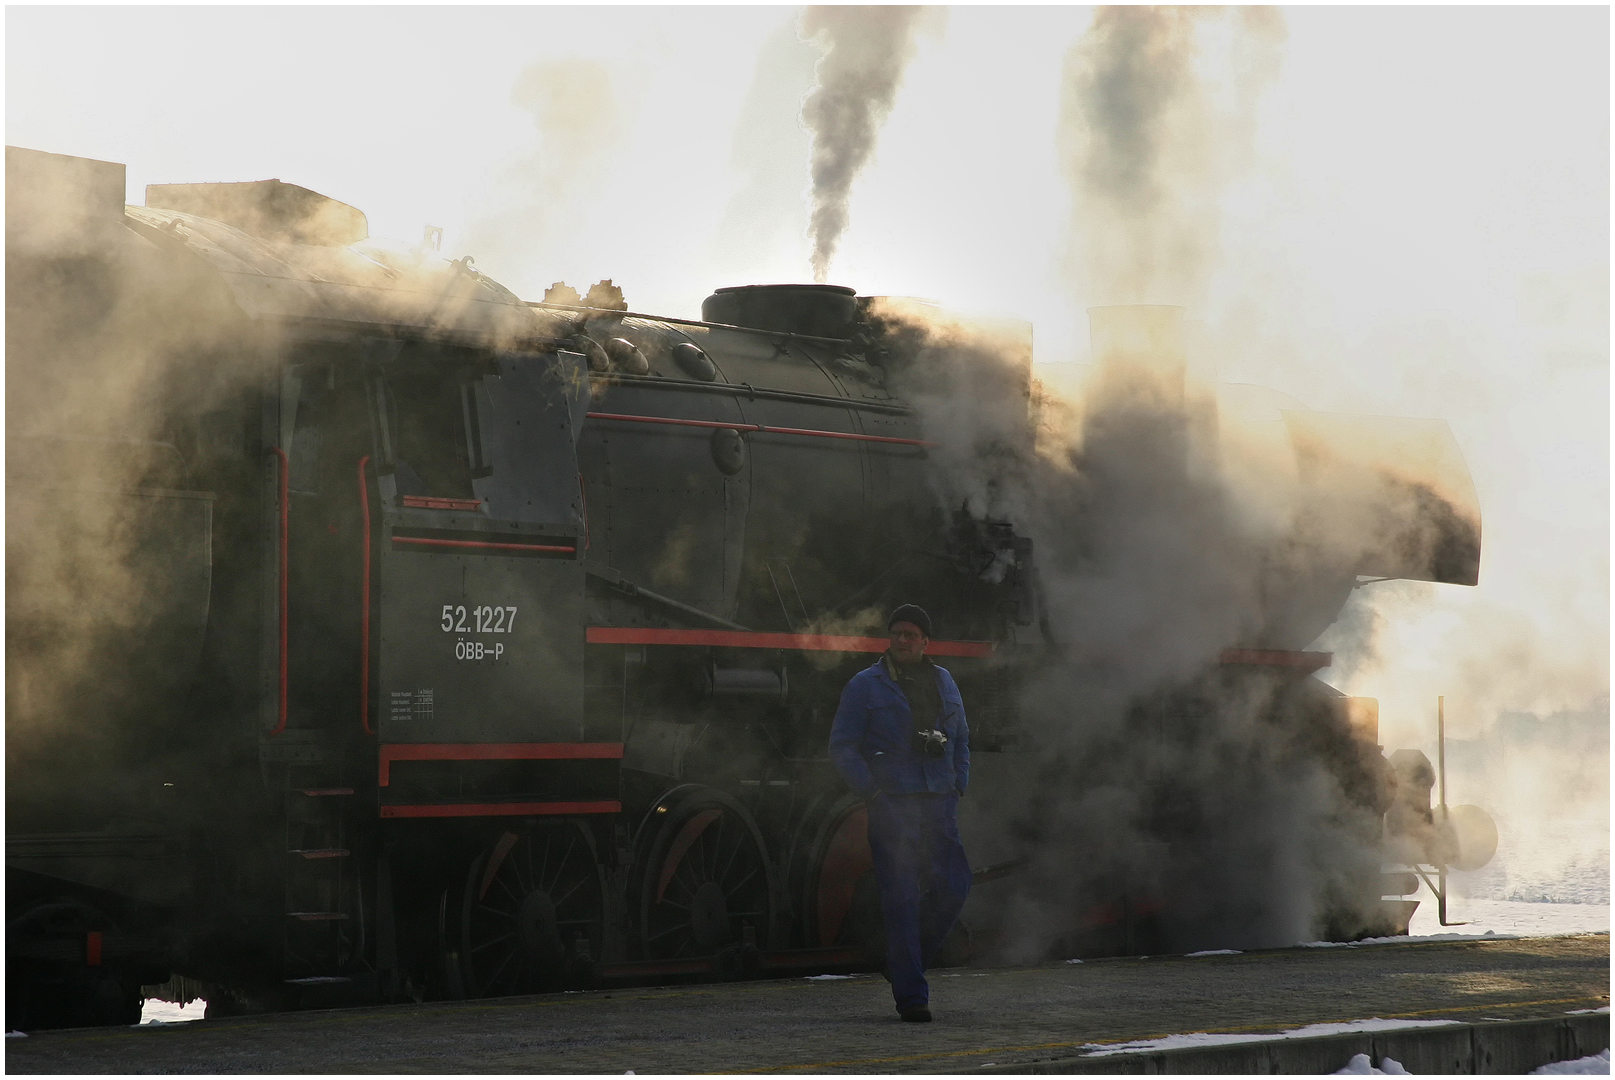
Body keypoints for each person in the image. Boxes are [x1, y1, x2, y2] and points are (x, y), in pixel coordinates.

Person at [828, 604, 972, 1023]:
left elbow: (961, 737)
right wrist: (871, 791)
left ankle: (901, 963)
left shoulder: (944, 681)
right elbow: (841, 746)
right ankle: (912, 997)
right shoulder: (864, 686)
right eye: (897, 634)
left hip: (939, 801)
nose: (903, 640)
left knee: (955, 885)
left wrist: (959, 782)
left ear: (926, 641)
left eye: (911, 634)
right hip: (894, 805)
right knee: (902, 898)